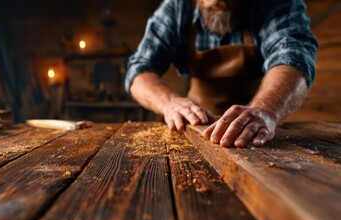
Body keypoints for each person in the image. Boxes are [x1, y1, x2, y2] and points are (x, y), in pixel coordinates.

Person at [125, 0, 318, 148]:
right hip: (195, 125)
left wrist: (266, 111)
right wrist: (169, 102)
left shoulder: (272, 3)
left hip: (258, 127)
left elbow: (293, 56)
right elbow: (139, 68)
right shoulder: (178, 6)